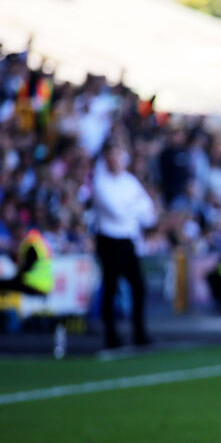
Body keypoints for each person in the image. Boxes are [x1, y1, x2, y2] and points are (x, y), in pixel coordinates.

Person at [92, 140, 156, 348]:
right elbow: (117, 212)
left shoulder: (130, 181)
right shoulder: (101, 182)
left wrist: (132, 209)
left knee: (138, 286)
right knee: (110, 287)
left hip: (127, 239)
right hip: (109, 240)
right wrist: (133, 208)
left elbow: (147, 211)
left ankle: (139, 332)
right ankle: (111, 335)